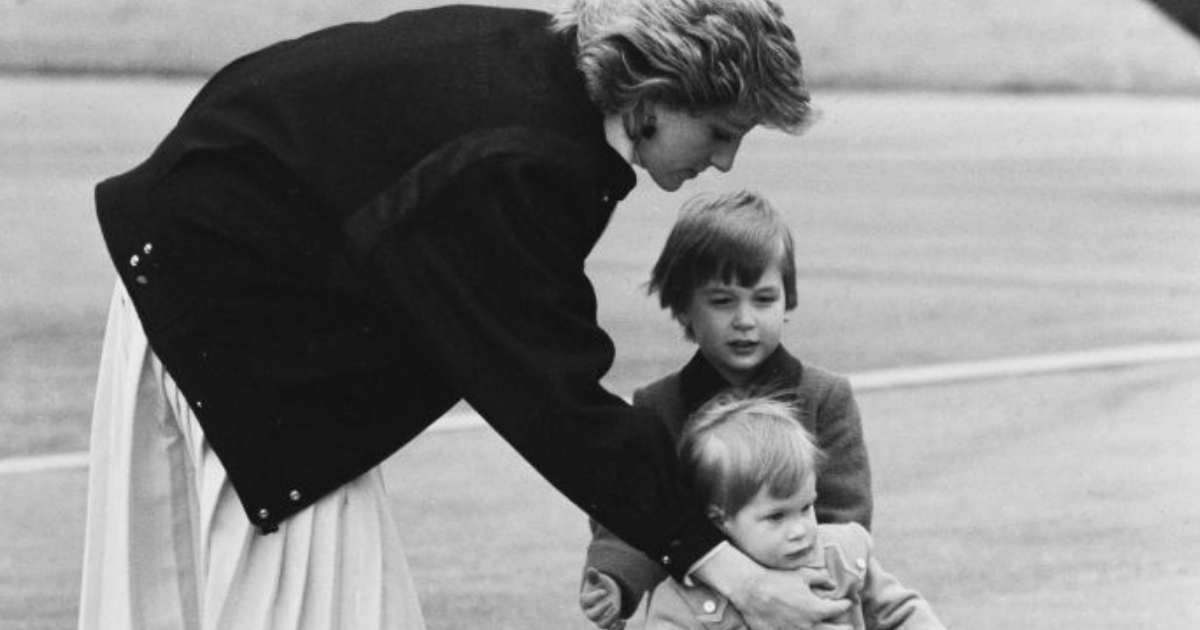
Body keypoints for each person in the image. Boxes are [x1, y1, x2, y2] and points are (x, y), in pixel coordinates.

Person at [77, 1, 849, 629]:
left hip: (187, 279)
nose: (724, 164)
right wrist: (731, 571)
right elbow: (549, 394)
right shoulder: (518, 157)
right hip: (233, 328)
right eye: (721, 132)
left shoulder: (541, 73)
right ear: (654, 95)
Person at [580, 190, 873, 629]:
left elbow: (844, 519)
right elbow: (635, 515)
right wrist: (615, 579)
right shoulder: (659, 406)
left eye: (764, 299)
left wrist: (813, 579)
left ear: (787, 302)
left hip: (805, 608)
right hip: (697, 613)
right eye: (722, 301)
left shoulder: (823, 396)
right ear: (683, 307)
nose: (745, 319)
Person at [646, 394, 945, 629]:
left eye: (806, 507)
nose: (801, 529)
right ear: (720, 519)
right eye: (776, 516)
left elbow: (900, 612)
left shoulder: (841, 555)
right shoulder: (684, 603)